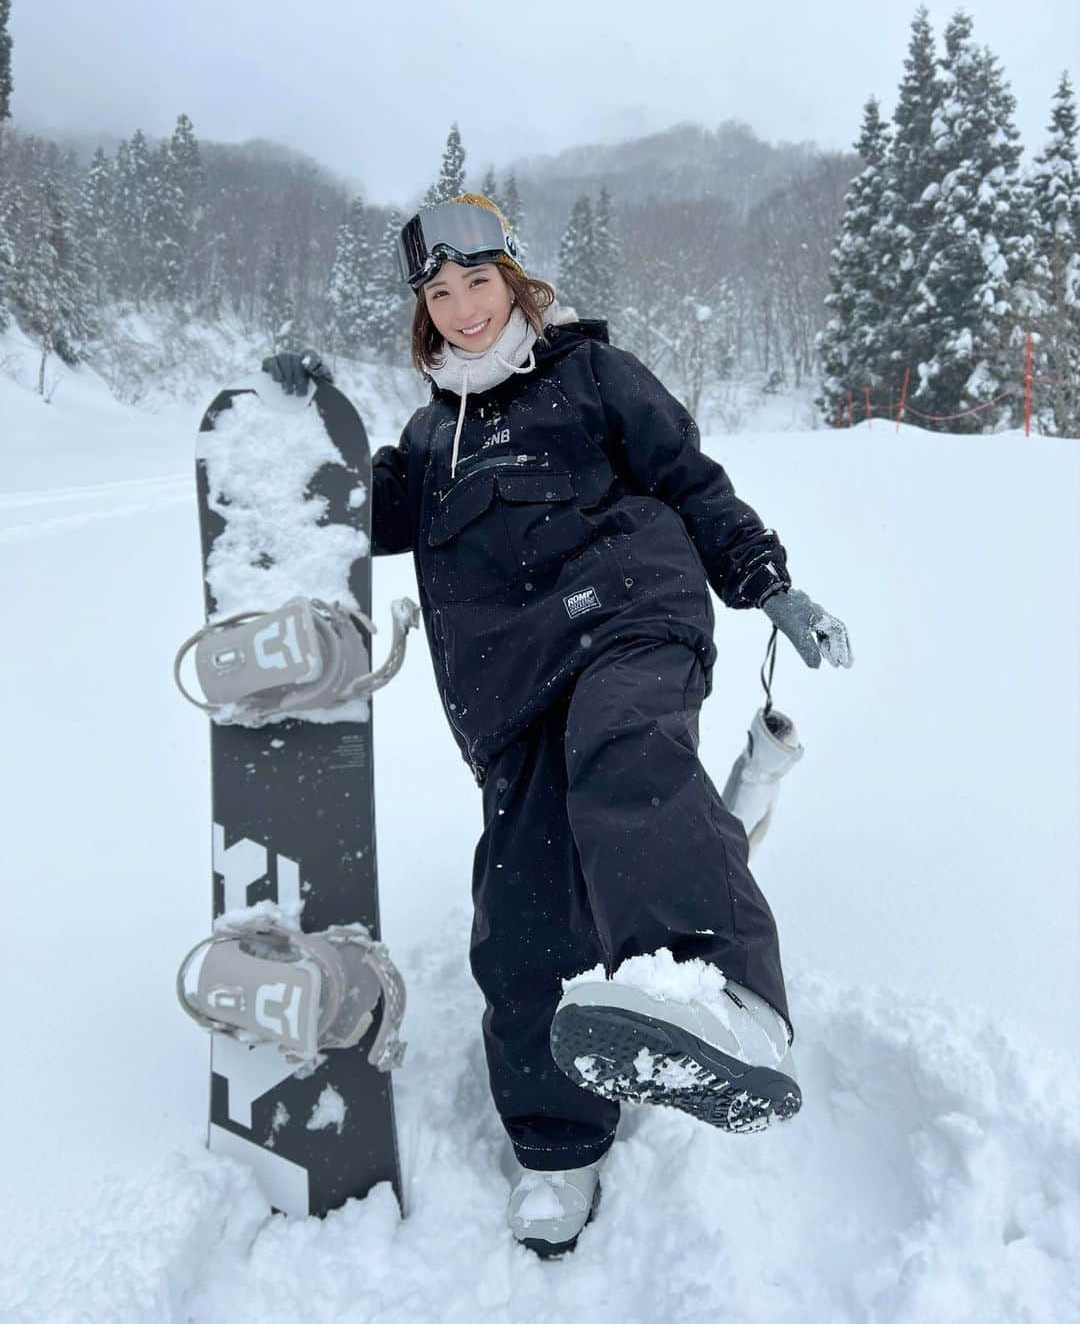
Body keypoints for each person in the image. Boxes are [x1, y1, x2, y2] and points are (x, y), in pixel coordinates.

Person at [262, 192, 852, 1257]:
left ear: (515, 280)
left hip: (629, 616)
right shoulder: (426, 438)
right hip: (512, 688)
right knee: (522, 900)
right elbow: (359, 507)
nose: (460, 307)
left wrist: (770, 584)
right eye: (438, 294)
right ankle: (560, 1146)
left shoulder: (590, 375)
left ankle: (738, 1002)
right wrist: (304, 427)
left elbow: (689, 478)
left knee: (626, 755)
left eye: (476, 283)